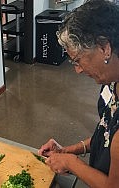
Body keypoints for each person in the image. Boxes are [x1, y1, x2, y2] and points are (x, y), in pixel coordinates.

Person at [38, 0, 119, 187]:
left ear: (104, 48)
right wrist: (68, 151)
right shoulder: (111, 83)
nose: (78, 70)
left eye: (78, 60)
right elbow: (105, 134)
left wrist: (71, 163)